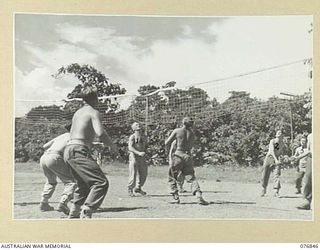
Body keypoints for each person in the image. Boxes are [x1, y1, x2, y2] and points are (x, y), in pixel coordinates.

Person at [64, 85, 118, 219]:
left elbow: (76, 135)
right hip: (78, 151)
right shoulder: (94, 112)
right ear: (95, 98)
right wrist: (112, 145)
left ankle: (74, 213)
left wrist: (91, 144)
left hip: (69, 150)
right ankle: (87, 210)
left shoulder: (78, 112)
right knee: (100, 182)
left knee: (83, 185)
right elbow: (100, 132)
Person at [165, 117, 208, 205]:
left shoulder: (177, 131)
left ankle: (176, 197)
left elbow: (167, 142)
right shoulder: (192, 133)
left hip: (178, 155)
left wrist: (168, 152)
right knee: (191, 177)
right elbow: (191, 145)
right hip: (188, 156)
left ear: (183, 122)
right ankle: (198, 194)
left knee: (172, 176)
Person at [39, 124, 76, 215]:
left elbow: (44, 146)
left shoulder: (62, 135)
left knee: (51, 181)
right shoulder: (74, 136)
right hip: (55, 156)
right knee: (71, 182)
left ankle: (44, 202)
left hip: (44, 157)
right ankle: (63, 203)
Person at [260, 130, 285, 197]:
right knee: (265, 174)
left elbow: (279, 152)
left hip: (276, 159)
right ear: (276, 135)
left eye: (281, 133)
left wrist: (281, 158)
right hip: (269, 158)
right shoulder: (273, 141)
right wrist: (276, 160)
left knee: (277, 175)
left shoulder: (282, 143)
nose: (280, 134)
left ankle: (276, 191)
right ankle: (263, 189)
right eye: (278, 133)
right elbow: (272, 151)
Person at [127, 122, 148, 196]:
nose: (138, 125)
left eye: (139, 124)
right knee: (133, 174)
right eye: (136, 125)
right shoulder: (132, 137)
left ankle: (138, 188)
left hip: (142, 157)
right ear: (133, 128)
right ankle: (130, 189)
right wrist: (138, 153)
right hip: (134, 156)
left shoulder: (144, 137)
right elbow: (130, 147)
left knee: (144, 173)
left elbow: (146, 146)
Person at [293, 133, 312, 210]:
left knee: (308, 181)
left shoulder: (307, 149)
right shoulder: (297, 149)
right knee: (301, 179)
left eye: (304, 141)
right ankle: (305, 198)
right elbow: (296, 156)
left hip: (308, 164)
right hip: (302, 166)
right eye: (302, 141)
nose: (303, 142)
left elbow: (308, 151)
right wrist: (294, 159)